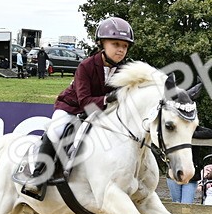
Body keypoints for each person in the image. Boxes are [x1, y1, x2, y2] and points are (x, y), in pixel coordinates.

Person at [21, 17, 135, 199]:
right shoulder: (86, 66)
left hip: (101, 112)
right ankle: (38, 177)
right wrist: (108, 98)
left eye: (125, 46)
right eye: (116, 44)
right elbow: (85, 102)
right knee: (56, 130)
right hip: (71, 107)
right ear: (102, 44)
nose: (121, 50)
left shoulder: (124, 69)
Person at [168, 126, 212, 204]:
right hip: (174, 171)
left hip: (191, 174)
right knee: (176, 203)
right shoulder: (173, 129)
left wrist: (188, 134)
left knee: (186, 204)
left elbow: (210, 133)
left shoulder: (195, 128)